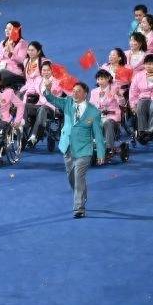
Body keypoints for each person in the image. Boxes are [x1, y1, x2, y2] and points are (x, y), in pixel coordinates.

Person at [42, 79, 105, 218]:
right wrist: (47, 89)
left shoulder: (93, 112)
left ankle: (79, 208)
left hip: (84, 149)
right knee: (71, 178)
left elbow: (98, 135)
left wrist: (100, 153)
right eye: (74, 91)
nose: (75, 93)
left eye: (79, 91)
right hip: (67, 147)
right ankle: (82, 194)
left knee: (78, 177)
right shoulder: (68, 103)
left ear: (86, 94)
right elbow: (52, 99)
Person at [20, 60, 63, 148]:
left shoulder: (57, 83)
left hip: (52, 108)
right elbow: (29, 91)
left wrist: (48, 88)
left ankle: (33, 137)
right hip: (39, 106)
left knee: (43, 108)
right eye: (44, 70)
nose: (45, 72)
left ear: (52, 71)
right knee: (24, 106)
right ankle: (24, 128)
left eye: (48, 70)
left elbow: (54, 99)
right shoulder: (38, 80)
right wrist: (23, 101)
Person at [91, 69, 125, 157]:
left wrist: (119, 95)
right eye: (98, 79)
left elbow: (122, 103)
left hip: (112, 117)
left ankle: (109, 148)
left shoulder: (114, 90)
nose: (100, 81)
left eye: (102, 79)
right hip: (99, 117)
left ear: (108, 78)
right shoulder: (94, 92)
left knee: (108, 122)